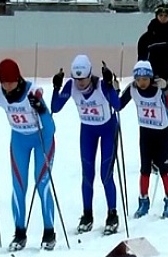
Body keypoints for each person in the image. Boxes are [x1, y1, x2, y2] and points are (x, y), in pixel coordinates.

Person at [0, 59, 57, 252]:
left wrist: (41, 109)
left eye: (11, 82)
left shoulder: (32, 92)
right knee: (19, 187)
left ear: (18, 78)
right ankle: (19, 233)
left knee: (42, 184)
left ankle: (49, 232)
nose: (8, 86)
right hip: (19, 141)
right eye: (4, 82)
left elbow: (51, 128)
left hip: (42, 139)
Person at [51, 55, 120, 235]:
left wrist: (110, 85)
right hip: (87, 131)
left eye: (83, 79)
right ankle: (87, 214)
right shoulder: (71, 86)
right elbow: (55, 107)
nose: (80, 83)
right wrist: (56, 87)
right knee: (87, 173)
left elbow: (118, 105)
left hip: (107, 129)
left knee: (106, 174)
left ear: (90, 74)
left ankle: (112, 214)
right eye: (76, 79)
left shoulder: (101, 85)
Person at [119, 61, 168, 219]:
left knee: (164, 168)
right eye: (138, 79)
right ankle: (143, 200)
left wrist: (166, 89)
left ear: (150, 77)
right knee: (145, 169)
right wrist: (113, 89)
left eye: (145, 79)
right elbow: (118, 105)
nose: (142, 82)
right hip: (145, 132)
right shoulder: (132, 88)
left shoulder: (159, 88)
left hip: (162, 133)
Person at [136, 3, 168, 174]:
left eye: (166, 15)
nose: (163, 18)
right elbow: (141, 62)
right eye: (160, 15)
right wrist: (146, 81)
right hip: (151, 85)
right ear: (156, 16)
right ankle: (150, 158)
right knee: (151, 121)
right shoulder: (146, 38)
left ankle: (166, 158)